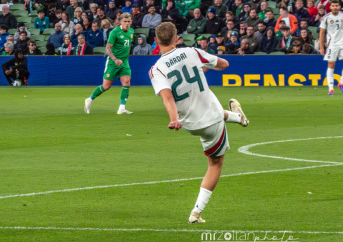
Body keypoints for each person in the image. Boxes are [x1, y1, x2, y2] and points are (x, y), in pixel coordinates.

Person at [149, 22, 248, 224]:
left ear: (156, 41)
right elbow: (224, 65)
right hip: (211, 120)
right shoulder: (192, 52)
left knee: (215, 110)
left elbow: (167, 97)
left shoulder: (156, 69)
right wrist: (203, 66)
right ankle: (196, 212)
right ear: (177, 38)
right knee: (215, 164)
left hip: (189, 124)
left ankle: (240, 118)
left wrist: (174, 119)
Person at [84, 13, 135, 115]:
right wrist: (115, 60)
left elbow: (128, 46)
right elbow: (108, 48)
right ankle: (89, 99)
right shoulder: (115, 32)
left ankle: (121, 108)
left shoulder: (131, 31)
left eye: (129, 21)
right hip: (113, 62)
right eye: (125, 21)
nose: (127, 23)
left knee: (126, 82)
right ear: (120, 21)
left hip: (124, 62)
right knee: (106, 86)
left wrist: (126, 60)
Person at [319, 0, 343, 95]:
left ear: (339, 6)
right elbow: (322, 33)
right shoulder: (326, 17)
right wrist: (321, 47)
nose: (335, 7)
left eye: (336, 5)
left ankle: (341, 83)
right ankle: (330, 88)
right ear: (330, 7)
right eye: (333, 6)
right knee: (331, 65)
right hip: (331, 44)